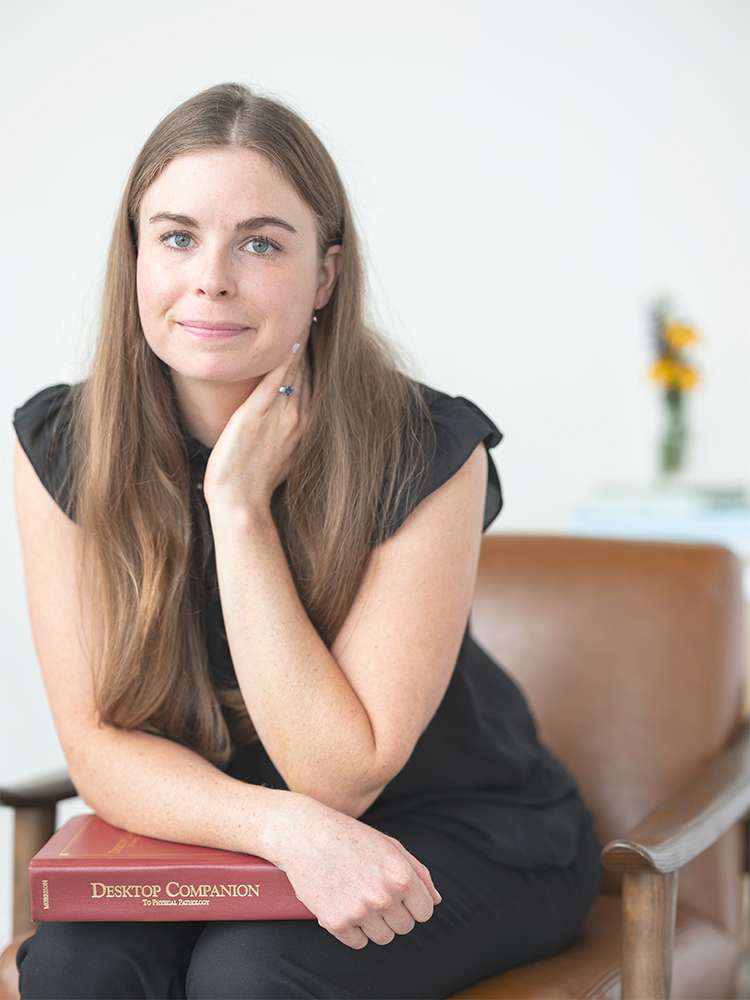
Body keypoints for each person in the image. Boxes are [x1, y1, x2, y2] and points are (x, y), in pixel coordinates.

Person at [12, 81, 602, 1000]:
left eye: (259, 242)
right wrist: (283, 832)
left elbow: (337, 778)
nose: (210, 276)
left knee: (252, 974)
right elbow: (97, 743)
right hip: (225, 824)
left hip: (456, 822)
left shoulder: (430, 449)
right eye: (176, 236)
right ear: (135, 258)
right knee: (75, 966)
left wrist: (238, 508)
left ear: (325, 275)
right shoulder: (62, 443)